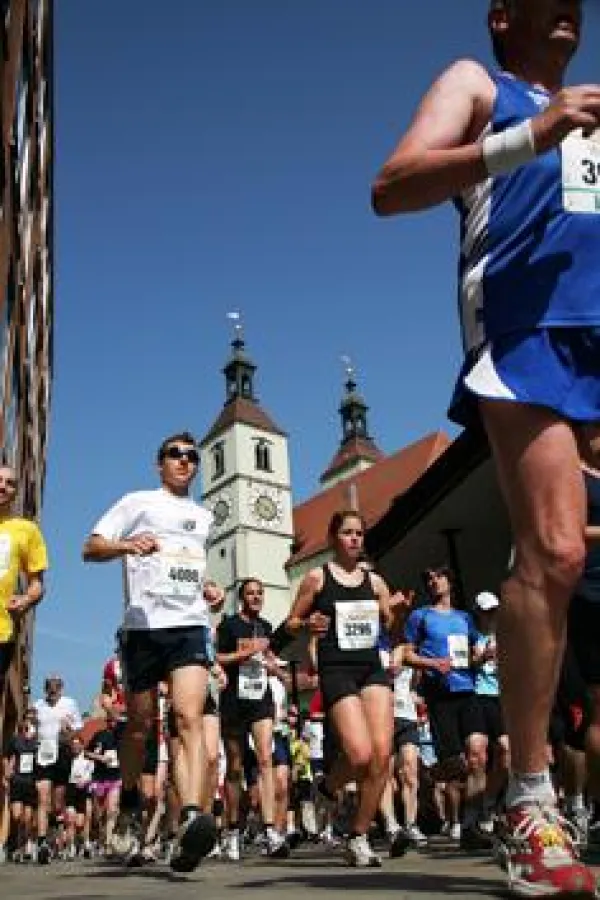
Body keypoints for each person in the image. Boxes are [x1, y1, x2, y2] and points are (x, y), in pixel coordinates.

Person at [372, 1, 600, 895]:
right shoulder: (480, 82)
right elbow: (391, 187)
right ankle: (531, 799)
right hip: (526, 327)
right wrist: (531, 134)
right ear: (504, 12)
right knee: (556, 548)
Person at [82, 431, 217, 871]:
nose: (185, 461)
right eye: (175, 455)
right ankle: (131, 798)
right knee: (139, 727)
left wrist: (209, 588)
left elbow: (190, 567)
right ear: (159, 463)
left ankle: (193, 816)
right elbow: (91, 547)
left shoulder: (203, 516)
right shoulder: (136, 502)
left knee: (187, 717)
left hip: (190, 627)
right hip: (142, 630)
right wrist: (126, 545)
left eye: (192, 457)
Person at [285, 510, 394, 867]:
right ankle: (330, 787)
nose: (354, 539)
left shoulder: (375, 581)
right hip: (336, 668)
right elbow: (292, 621)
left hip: (371, 667)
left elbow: (389, 619)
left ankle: (359, 836)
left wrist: (393, 611)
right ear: (334, 538)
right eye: (347, 533)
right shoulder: (317, 578)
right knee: (360, 754)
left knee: (382, 755)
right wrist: (308, 622)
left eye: (360, 533)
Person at [403, 568, 491, 851]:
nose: (433, 582)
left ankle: (472, 823)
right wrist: (432, 665)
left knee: (478, 754)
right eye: (428, 579)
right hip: (440, 694)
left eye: (438, 577)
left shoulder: (465, 617)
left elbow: (475, 650)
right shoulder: (420, 616)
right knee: (456, 765)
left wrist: (482, 655)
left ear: (449, 581)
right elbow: (406, 654)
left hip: (468, 689)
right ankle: (434, 775)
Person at [216, 577, 290, 860]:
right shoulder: (230, 625)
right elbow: (218, 657)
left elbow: (268, 658)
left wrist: (278, 671)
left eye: (260, 593)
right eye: (250, 593)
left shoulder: (266, 627)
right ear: (242, 598)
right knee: (234, 766)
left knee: (265, 760)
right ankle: (233, 830)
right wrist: (245, 652)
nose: (256, 597)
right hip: (234, 699)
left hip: (260, 698)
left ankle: (271, 830)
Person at [0, 464, 48, 754]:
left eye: (9, 483)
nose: (3, 486)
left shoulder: (26, 531)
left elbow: (37, 584)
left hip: (1, 629)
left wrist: (26, 600)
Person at [34, 675, 82, 864]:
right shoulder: (38, 706)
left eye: (56, 688)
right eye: (49, 688)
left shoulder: (70, 703)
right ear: (45, 689)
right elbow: (32, 728)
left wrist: (68, 731)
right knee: (42, 796)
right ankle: (42, 844)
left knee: (57, 803)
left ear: (61, 689)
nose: (52, 691)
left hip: (62, 751)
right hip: (44, 751)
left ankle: (54, 826)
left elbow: (78, 728)